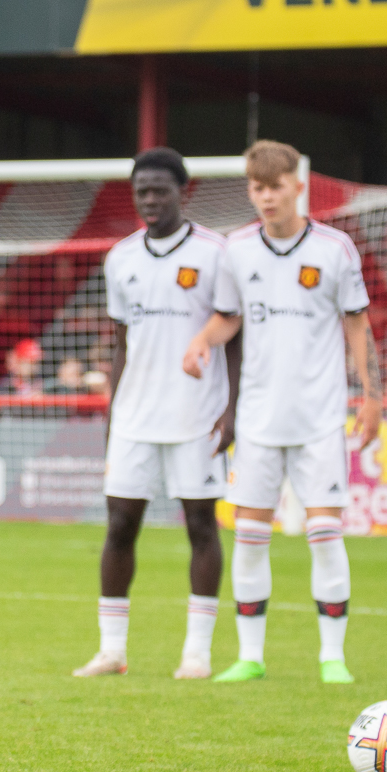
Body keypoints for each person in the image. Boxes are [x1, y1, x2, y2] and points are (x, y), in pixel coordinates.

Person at [184, 139, 379, 686]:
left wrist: (373, 395)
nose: (265, 197)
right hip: (259, 420)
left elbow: (358, 325)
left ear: (298, 186)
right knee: (249, 536)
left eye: (274, 187)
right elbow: (228, 318)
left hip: (320, 418)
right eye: (256, 187)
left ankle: (332, 657)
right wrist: (203, 338)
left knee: (324, 533)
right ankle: (250, 657)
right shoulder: (237, 250)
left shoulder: (335, 249)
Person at [74, 147, 237, 681]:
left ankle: (197, 653)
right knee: (120, 524)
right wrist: (113, 413)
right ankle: (112, 651)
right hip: (135, 416)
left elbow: (234, 334)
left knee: (199, 525)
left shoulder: (216, 253)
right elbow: (122, 343)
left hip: (197, 413)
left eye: (160, 189)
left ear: (182, 192)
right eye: (141, 189)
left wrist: (233, 407)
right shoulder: (120, 258)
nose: (149, 198)